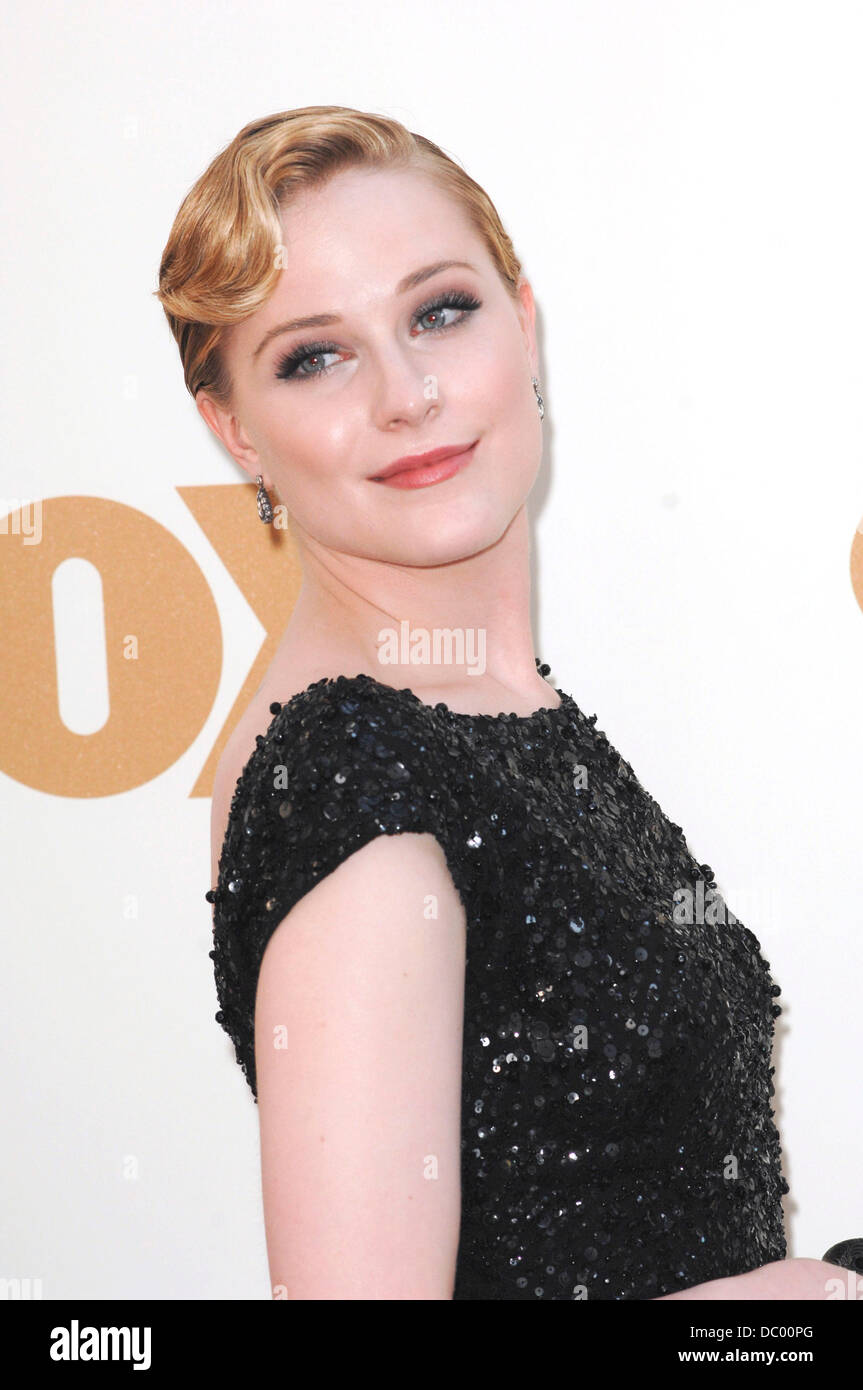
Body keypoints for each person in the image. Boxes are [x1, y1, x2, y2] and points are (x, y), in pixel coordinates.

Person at [156, 106, 843, 1300]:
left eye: (438, 310)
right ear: (233, 430)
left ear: (523, 322)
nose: (408, 393)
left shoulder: (486, 708)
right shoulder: (352, 773)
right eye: (313, 355)